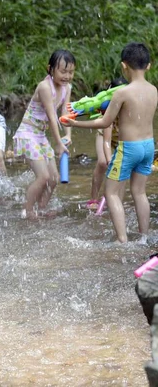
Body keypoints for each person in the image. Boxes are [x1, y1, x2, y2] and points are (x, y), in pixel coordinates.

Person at [64, 43, 157, 242]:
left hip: (128, 148)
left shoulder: (121, 93)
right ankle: (144, 238)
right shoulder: (154, 90)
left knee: (111, 192)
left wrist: (75, 123)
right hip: (148, 146)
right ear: (148, 66)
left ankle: (122, 241)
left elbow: (105, 121)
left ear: (124, 66)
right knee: (139, 192)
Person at [13, 50, 74, 219]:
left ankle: (41, 207)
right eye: (63, 71)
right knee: (43, 177)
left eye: (71, 72)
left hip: (40, 135)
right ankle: (28, 210)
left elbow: (65, 112)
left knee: (54, 178)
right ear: (50, 69)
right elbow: (52, 116)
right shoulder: (44, 87)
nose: (67, 76)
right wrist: (58, 143)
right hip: (27, 133)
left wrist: (67, 135)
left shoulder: (67, 88)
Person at [87, 78, 127, 210]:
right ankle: (93, 198)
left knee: (123, 168)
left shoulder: (129, 111)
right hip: (104, 135)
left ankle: (117, 202)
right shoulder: (108, 111)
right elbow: (106, 140)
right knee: (103, 162)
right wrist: (110, 159)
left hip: (122, 139)